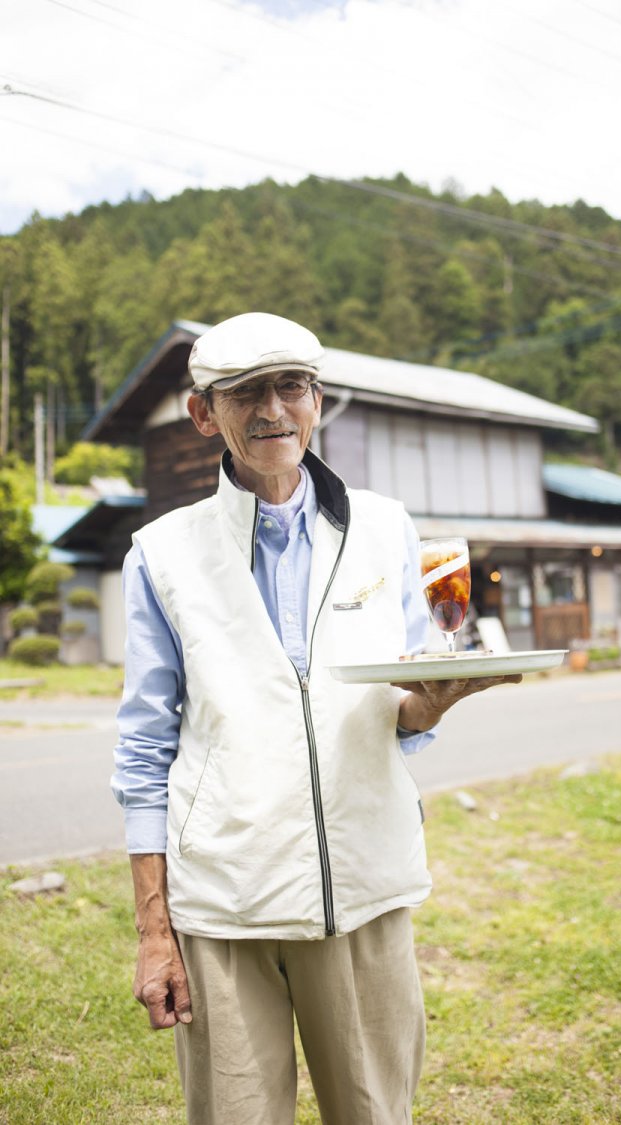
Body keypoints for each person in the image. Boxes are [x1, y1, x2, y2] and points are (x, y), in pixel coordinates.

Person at [112, 311, 521, 1125]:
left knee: (374, 1112)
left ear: (317, 400)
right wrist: (156, 930)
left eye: (290, 386)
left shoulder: (385, 528)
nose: (272, 409)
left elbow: (404, 700)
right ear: (204, 414)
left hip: (364, 887)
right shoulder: (162, 553)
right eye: (244, 392)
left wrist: (430, 703)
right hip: (225, 901)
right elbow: (144, 747)